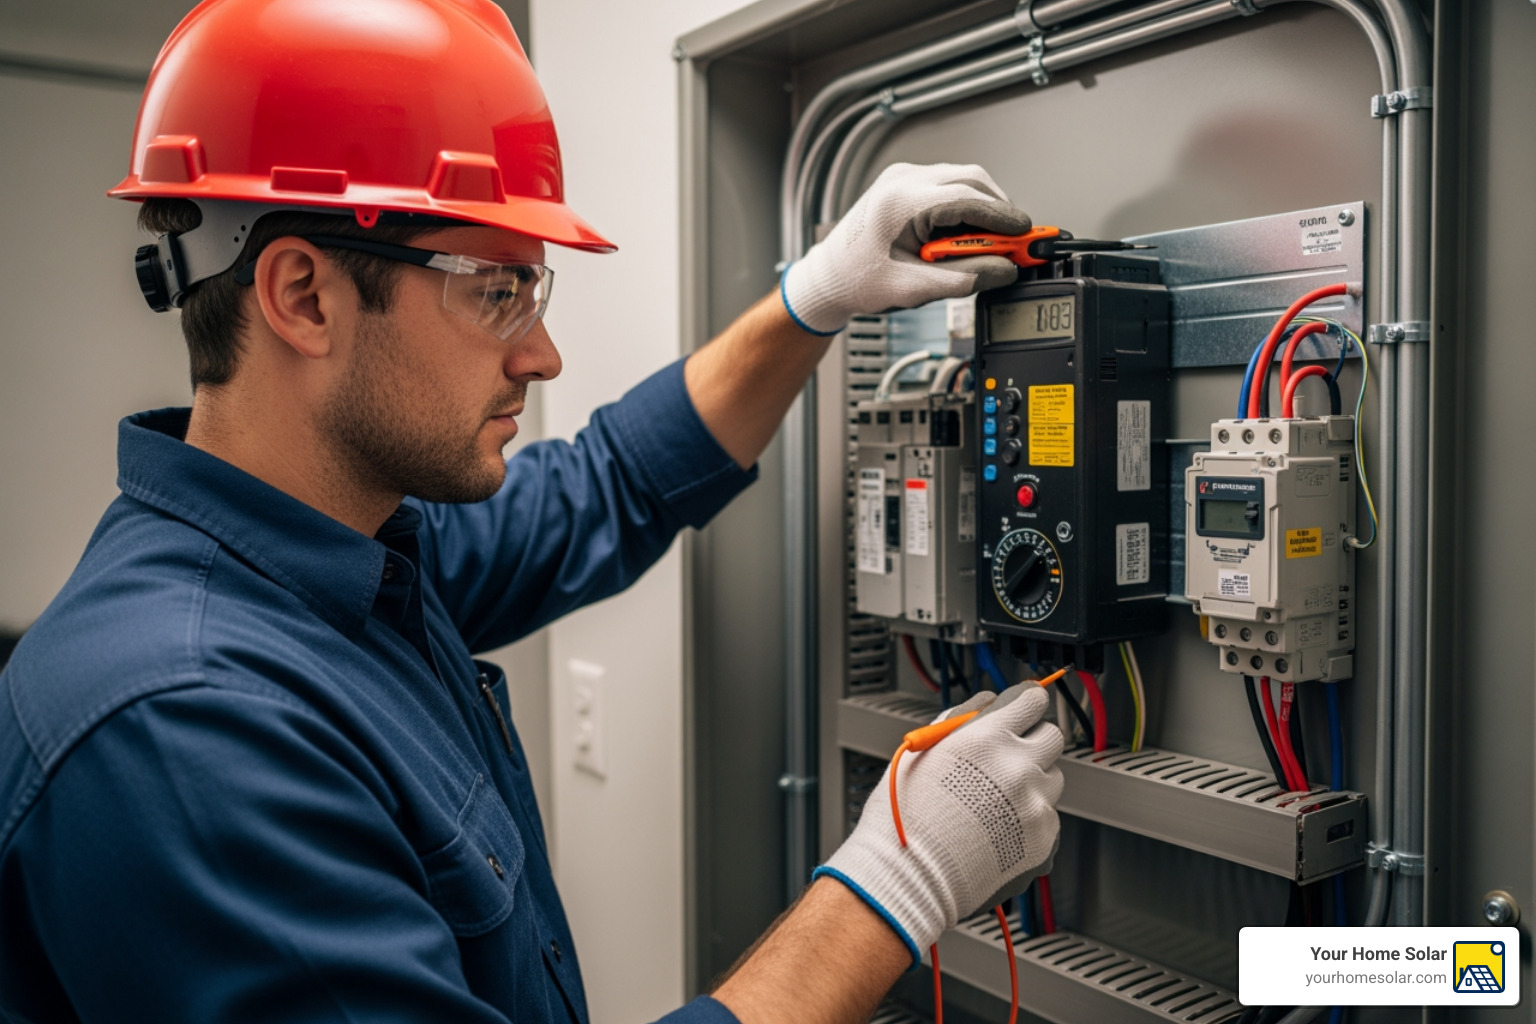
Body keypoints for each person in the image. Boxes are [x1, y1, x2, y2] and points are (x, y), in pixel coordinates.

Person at [0, 2, 1065, 1022]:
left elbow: (612, 481)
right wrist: (893, 883)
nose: (540, 353)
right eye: (494, 289)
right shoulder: (187, 730)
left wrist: (813, 299)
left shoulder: (349, 553)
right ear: (304, 297)